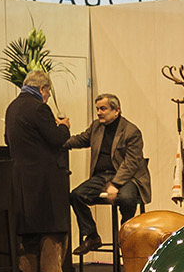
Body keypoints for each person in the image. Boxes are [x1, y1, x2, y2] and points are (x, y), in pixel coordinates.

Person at [3, 69, 77, 272]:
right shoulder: (39, 108)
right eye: (48, 92)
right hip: (45, 178)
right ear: (43, 89)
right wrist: (63, 125)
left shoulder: (13, 107)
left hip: (21, 178)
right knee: (53, 229)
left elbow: (9, 139)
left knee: (28, 230)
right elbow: (56, 140)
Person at [65, 93, 152, 255]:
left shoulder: (131, 131)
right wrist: (58, 138)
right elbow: (81, 140)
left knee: (126, 198)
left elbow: (131, 163)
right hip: (102, 177)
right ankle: (92, 236)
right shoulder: (96, 127)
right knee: (76, 196)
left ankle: (126, 236)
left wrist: (115, 184)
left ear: (116, 110)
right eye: (98, 109)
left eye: (103, 109)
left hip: (128, 177)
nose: (99, 113)